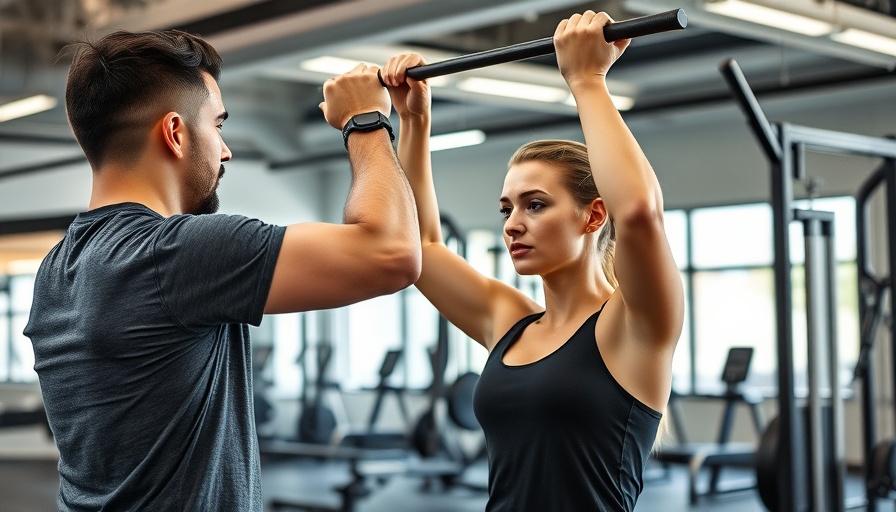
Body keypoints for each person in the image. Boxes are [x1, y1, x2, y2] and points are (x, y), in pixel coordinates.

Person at [24, 29, 420, 511]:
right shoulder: (174, 253)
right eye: (217, 125)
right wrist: (366, 119)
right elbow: (392, 254)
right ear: (175, 133)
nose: (225, 150)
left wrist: (414, 122)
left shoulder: (57, 267)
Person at [381, 10, 683, 511]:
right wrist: (414, 121)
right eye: (508, 209)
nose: (512, 224)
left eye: (535, 205)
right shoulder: (510, 322)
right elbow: (422, 248)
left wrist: (587, 80)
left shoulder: (632, 325)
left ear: (593, 216)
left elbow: (639, 214)